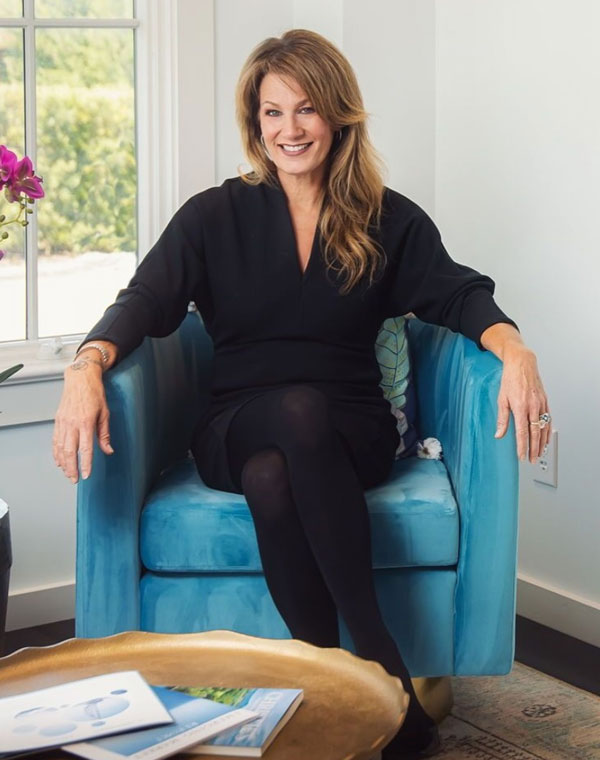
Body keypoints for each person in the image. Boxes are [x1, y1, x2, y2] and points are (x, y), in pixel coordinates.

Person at [53, 29, 551, 759]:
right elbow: (145, 301)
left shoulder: (386, 217)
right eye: (272, 112)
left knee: (277, 466)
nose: (290, 129)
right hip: (235, 424)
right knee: (281, 427)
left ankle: (328, 685)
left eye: (307, 108)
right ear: (255, 123)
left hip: (351, 430)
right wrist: (86, 364)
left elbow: (459, 293)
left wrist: (515, 348)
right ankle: (381, 677)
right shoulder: (213, 216)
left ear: (338, 115)